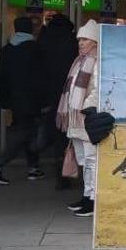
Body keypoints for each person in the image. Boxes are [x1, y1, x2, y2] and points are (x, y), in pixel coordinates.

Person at [0, 16, 48, 185]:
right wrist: (44, 101)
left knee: (28, 131)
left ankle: (33, 168)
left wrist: (4, 100)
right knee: (24, 133)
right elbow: (41, 79)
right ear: (31, 30)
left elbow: (1, 77)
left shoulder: (7, 50)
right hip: (31, 100)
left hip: (14, 100)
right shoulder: (36, 49)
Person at [58, 20, 101, 217]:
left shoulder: (97, 62)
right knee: (84, 160)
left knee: (92, 160)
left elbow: (96, 90)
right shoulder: (79, 61)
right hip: (76, 122)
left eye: (84, 39)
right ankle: (86, 196)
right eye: (79, 39)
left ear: (94, 41)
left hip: (86, 119)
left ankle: (93, 200)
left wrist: (84, 109)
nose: (80, 42)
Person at [38, 12, 80, 187]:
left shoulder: (44, 41)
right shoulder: (72, 43)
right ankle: (70, 172)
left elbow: (39, 69)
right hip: (71, 95)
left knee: (58, 135)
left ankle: (60, 175)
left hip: (52, 94)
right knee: (71, 135)